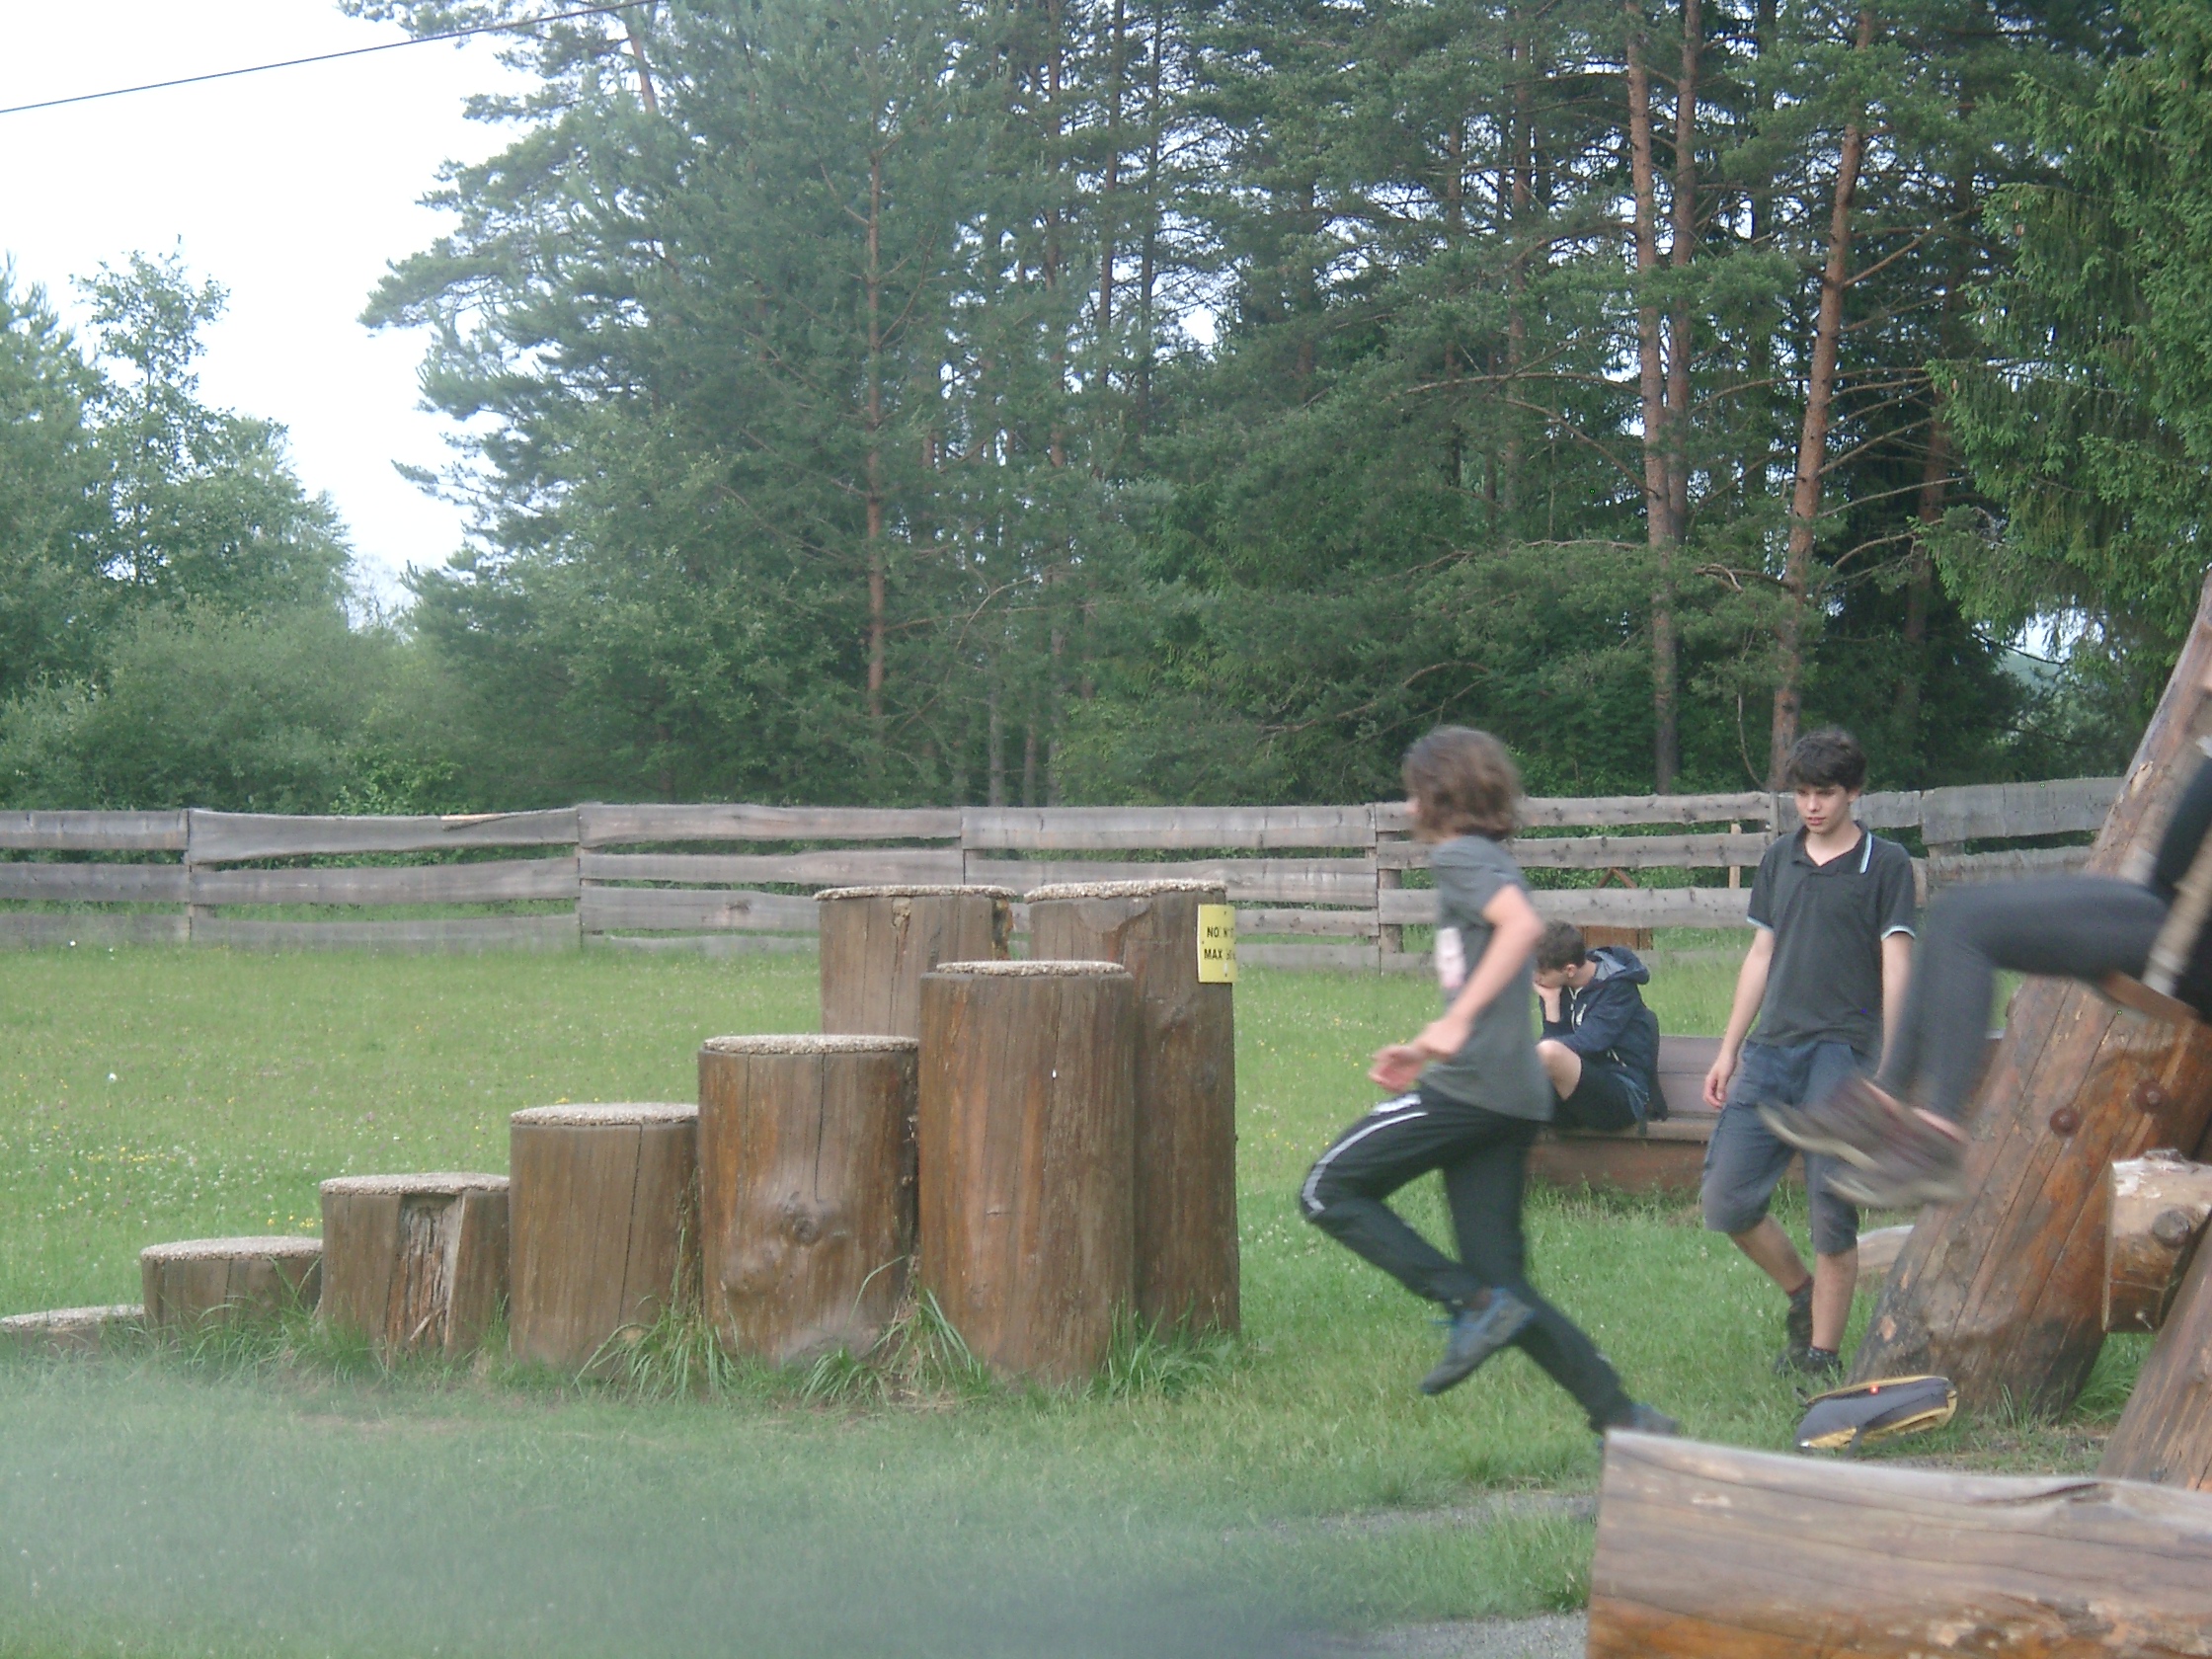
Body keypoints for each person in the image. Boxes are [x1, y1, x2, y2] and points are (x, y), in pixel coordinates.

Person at [1300, 726, 1677, 1435]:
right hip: (1511, 1097)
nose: (1408, 809)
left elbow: (1520, 929)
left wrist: (1452, 1027)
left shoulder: (1461, 857)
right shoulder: (1488, 859)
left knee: (1327, 1190)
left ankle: (1468, 1304)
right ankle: (1625, 1420)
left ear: (1440, 796)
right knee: (1507, 1286)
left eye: (1414, 793)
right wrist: (1425, 1044)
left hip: (1472, 1092)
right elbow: (1496, 971)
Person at [1766, 754, 2212, 1209]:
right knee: (1951, 914)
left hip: (2190, 941)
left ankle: (1934, 1142)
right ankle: (1880, 1102)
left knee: (1966, 927)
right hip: (2161, 904)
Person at [1700, 728, 1915, 1381]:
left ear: (1854, 792)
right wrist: (1728, 1050)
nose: (1813, 806)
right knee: (1726, 1200)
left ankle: (1820, 1359)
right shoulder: (1778, 859)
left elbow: (1898, 966)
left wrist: (1894, 1068)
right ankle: (1802, 1295)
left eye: (1826, 793)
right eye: (1802, 794)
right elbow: (1760, 954)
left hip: (1843, 1057)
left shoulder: (1887, 863)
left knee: (1831, 1214)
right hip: (1770, 1052)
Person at [1534, 922, 1663, 1132]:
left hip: (1623, 1093)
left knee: (1546, 1053)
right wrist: (1551, 1006)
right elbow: (1556, 1055)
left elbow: (1588, 1043)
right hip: (1577, 1093)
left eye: (1540, 973)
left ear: (1569, 970)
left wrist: (1532, 1055)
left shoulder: (1618, 988)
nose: (1535, 979)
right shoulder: (1557, 987)